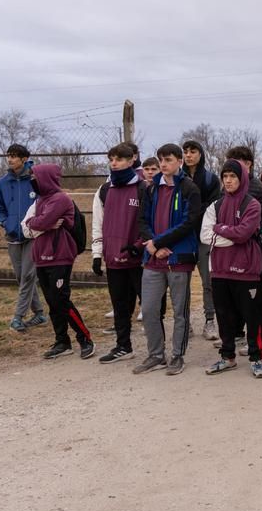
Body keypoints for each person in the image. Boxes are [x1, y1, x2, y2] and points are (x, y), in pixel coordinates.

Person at [133, 144, 202, 376]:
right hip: (153, 258)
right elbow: (141, 220)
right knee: (150, 309)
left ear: (179, 161)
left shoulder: (189, 188)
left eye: (168, 159)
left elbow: (189, 222)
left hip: (178, 258)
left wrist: (160, 243)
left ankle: (177, 356)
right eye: (161, 159)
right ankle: (155, 354)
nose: (163, 164)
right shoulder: (150, 189)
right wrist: (153, 245)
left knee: (180, 311)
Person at [201, 159, 262, 378]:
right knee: (224, 315)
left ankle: (256, 357)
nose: (228, 181)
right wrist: (230, 233)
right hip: (220, 269)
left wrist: (219, 228)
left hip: (246, 270)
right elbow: (204, 235)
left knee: (251, 316)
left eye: (233, 176)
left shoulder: (252, 204)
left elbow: (244, 234)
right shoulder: (216, 205)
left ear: (242, 178)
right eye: (225, 176)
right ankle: (227, 357)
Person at [21, 163, 94, 360]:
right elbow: (28, 225)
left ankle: (84, 337)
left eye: (35, 177)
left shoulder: (60, 199)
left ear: (45, 178)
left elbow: (39, 223)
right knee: (52, 301)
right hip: (41, 257)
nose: (32, 181)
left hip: (60, 256)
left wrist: (37, 222)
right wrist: (37, 222)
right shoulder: (40, 201)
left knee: (61, 299)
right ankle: (62, 341)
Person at [91, 143, 149, 364]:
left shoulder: (143, 188)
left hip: (138, 259)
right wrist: (97, 254)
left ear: (132, 160)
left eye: (119, 159)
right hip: (113, 258)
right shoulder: (105, 190)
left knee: (151, 306)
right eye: (111, 159)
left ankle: (158, 348)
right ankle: (123, 346)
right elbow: (98, 223)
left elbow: (150, 222)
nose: (114, 163)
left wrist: (140, 245)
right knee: (120, 306)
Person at [225, 147, 262, 351]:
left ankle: (259, 337)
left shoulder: (259, 189)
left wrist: (250, 238)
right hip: (230, 252)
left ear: (249, 164)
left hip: (255, 252)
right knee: (233, 295)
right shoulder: (226, 189)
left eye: (239, 162)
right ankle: (237, 333)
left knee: (257, 297)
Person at [0, 143, 47, 333]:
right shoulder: (1, 183)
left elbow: (45, 203)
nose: (10, 159)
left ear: (24, 159)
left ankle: (18, 317)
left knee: (28, 275)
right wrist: (5, 222)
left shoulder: (36, 179)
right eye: (8, 156)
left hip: (33, 235)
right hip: (12, 235)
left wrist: (38, 223)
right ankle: (40, 313)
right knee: (21, 276)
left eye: (14, 156)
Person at [182, 140, 221, 341]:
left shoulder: (210, 179)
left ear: (200, 154)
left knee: (208, 281)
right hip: (182, 238)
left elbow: (213, 206)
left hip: (203, 237)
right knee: (182, 282)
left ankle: (210, 321)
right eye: (185, 152)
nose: (189, 155)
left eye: (193, 151)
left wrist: (193, 212)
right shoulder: (177, 178)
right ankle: (185, 323)